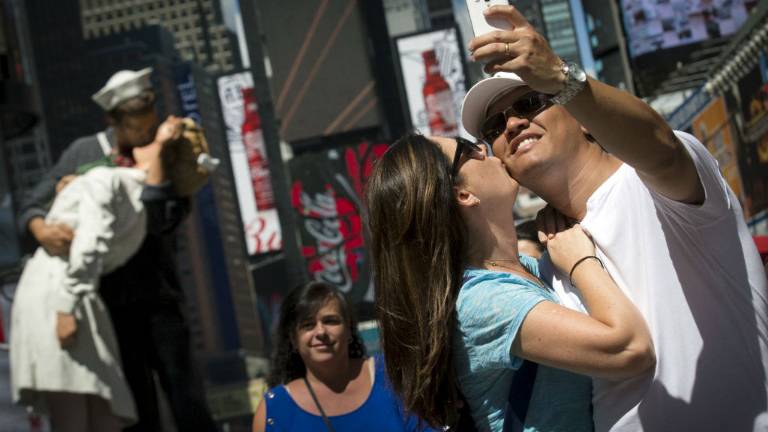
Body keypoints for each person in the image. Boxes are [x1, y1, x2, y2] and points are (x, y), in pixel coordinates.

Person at [460, 5, 768, 431]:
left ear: (583, 120)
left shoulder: (654, 183)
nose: (512, 123)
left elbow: (660, 144)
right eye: (493, 127)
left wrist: (565, 79)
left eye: (531, 101)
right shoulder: (549, 261)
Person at [365, 133, 654, 431]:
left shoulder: (523, 269)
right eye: (467, 149)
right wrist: (581, 262)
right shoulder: (486, 301)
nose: (483, 147)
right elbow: (631, 349)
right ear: (461, 194)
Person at [17, 68, 218, 431]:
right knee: (136, 408)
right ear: (113, 119)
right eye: (132, 122)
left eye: (148, 118)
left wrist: (156, 155)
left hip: (158, 297)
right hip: (107, 305)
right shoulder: (85, 151)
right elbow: (33, 203)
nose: (143, 129)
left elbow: (162, 219)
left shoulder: (168, 150)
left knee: (186, 398)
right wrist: (41, 227)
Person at [252, 281, 439, 432]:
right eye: (308, 325)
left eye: (330, 321)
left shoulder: (392, 376)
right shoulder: (273, 411)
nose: (321, 332)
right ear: (293, 339)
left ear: (349, 329)